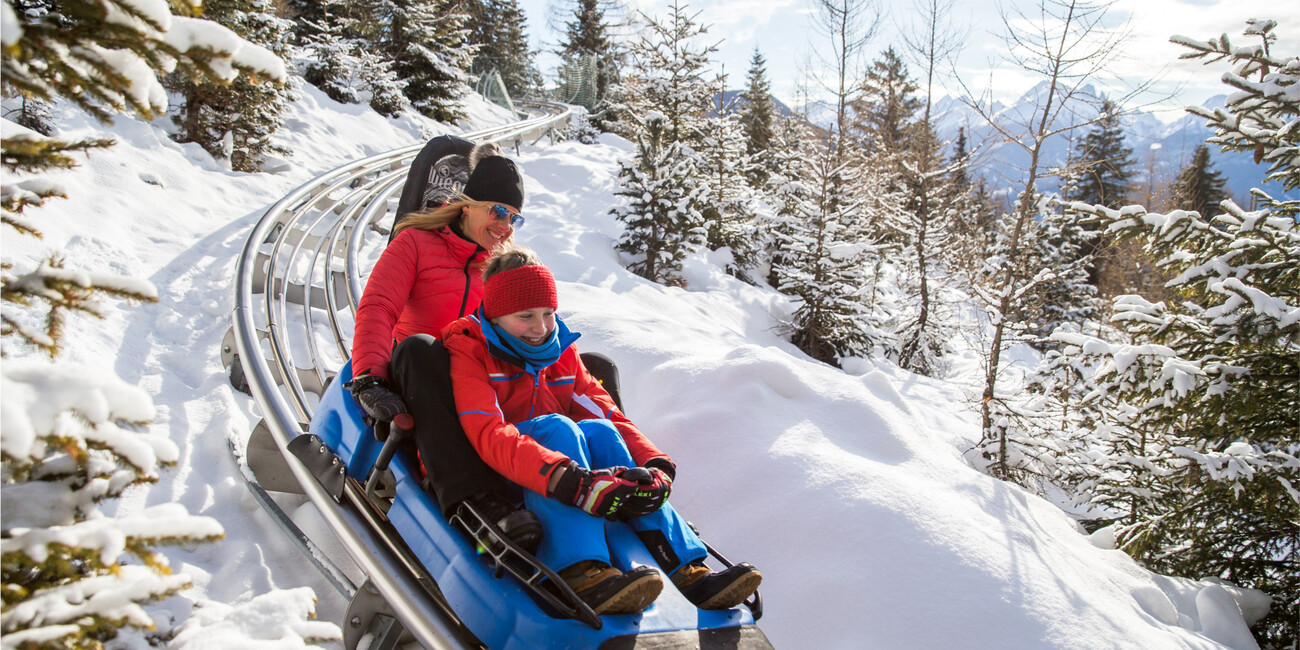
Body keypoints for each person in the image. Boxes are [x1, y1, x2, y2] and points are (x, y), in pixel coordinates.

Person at [440, 245, 763, 616]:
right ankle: (577, 569)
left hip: (569, 476)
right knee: (560, 427)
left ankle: (684, 566)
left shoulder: (560, 351)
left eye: (548, 313)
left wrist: (654, 464)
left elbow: (605, 410)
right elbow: (488, 432)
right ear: (495, 316)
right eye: (525, 315)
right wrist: (565, 477)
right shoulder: (471, 349)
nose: (540, 327)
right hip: (508, 474)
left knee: (600, 431)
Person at [346, 143, 542, 551]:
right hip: (419, 377)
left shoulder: (501, 266)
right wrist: (368, 377)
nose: (506, 226)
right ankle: (475, 503)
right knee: (424, 348)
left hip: (479, 385)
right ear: (467, 205)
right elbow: (379, 308)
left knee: (592, 366)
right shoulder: (416, 244)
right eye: (498, 211)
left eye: (514, 217)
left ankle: (619, 493)